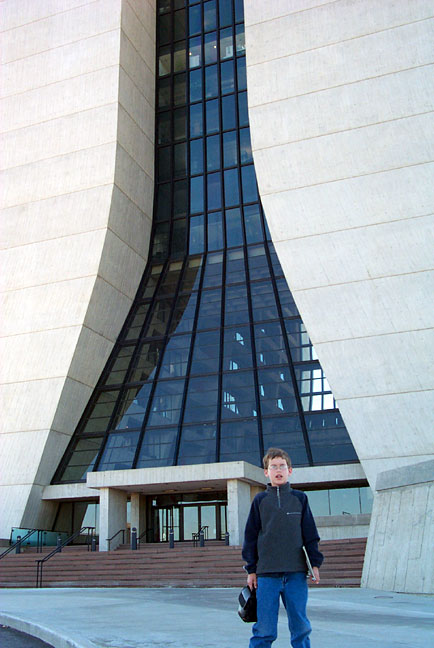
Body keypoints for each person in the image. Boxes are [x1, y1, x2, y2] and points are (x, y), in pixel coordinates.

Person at [242, 447, 323, 648]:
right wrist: (251, 570)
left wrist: (314, 564)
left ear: (290, 470)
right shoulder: (260, 501)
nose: (278, 470)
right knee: (264, 630)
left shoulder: (300, 499)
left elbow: (310, 534)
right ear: (266, 472)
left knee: (300, 628)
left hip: (295, 574)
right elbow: (250, 537)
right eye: (273, 467)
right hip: (266, 575)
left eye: (282, 466)